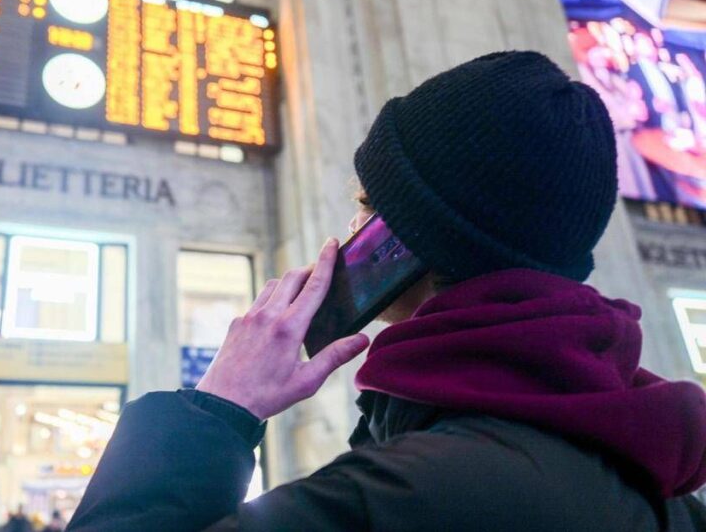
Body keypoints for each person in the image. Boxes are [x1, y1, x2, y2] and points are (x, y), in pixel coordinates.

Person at [68, 52, 706, 531]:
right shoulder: (666, 491)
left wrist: (217, 409)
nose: (350, 233)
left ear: (408, 241)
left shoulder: (404, 496)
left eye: (366, 209)